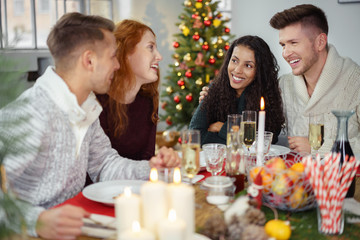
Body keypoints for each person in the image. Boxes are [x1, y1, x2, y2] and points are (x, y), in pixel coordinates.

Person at [0, 12, 179, 239]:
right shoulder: (34, 112)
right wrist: (37, 221)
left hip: (75, 227)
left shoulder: (87, 107)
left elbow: (104, 164)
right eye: (113, 56)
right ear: (89, 60)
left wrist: (152, 169)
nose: (117, 65)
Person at [270, 4, 360, 155]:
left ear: (320, 42)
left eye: (293, 43)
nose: (285, 53)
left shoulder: (355, 80)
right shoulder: (285, 84)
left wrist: (318, 148)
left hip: (344, 177)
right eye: (283, 45)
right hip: (297, 175)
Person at [189, 35, 285, 146]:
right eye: (234, 61)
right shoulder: (214, 90)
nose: (237, 70)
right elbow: (195, 136)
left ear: (259, 71)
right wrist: (239, 137)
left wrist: (222, 127)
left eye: (248, 65)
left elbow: (264, 142)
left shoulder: (267, 98)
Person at [96, 19, 162, 161]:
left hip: (136, 182)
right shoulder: (95, 101)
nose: (159, 57)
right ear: (126, 53)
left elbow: (147, 158)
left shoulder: (149, 99)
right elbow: (96, 167)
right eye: (150, 47)